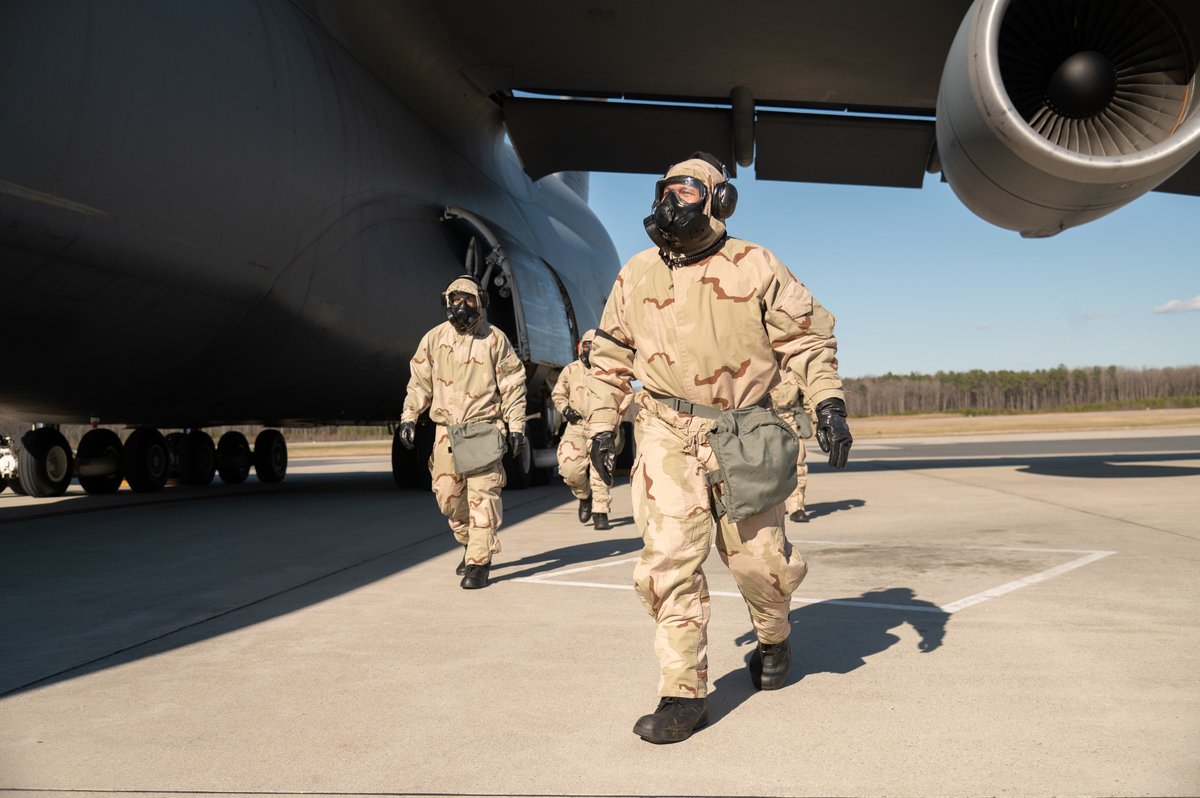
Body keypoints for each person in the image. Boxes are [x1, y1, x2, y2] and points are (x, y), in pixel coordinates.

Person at [585, 153, 852, 744]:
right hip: (665, 429)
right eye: (666, 190)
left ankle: (774, 635)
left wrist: (827, 403)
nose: (671, 201)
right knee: (668, 560)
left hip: (743, 430)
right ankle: (683, 692)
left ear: (718, 201)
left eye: (686, 190)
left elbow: (808, 339)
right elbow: (607, 360)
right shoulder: (635, 273)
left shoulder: (754, 265)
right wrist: (602, 425)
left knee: (760, 565)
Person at [399, 276, 527, 590]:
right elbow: (419, 384)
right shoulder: (433, 339)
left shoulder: (494, 339)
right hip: (446, 433)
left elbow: (513, 386)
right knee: (448, 499)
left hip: (483, 429)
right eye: (455, 299)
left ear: (480, 302)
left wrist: (517, 428)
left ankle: (479, 563)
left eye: (468, 299)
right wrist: (409, 418)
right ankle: (470, 542)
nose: (461, 305)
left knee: (483, 498)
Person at [551, 329, 630, 530]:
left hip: (602, 425)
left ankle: (600, 511)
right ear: (580, 347)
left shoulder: (610, 371)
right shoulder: (570, 370)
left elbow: (626, 394)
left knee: (601, 466)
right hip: (577, 426)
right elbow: (558, 394)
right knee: (570, 470)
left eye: (594, 346)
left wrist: (615, 418)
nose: (590, 349)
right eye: (587, 345)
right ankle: (584, 497)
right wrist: (565, 409)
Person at [769, 374, 815, 523]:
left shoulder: (794, 369)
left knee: (798, 465)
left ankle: (797, 508)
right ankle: (768, 508)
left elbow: (808, 397)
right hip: (767, 421)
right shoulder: (760, 362)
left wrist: (820, 420)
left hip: (792, 422)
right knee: (767, 467)